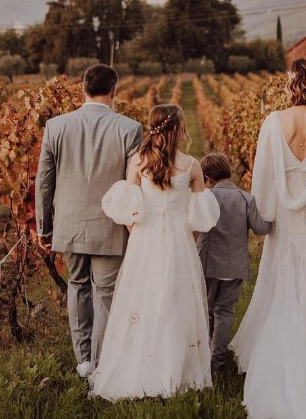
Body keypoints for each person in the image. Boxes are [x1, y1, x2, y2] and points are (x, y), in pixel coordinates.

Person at [229, 57, 306, 419]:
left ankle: (282, 355)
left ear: (291, 85)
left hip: (286, 218)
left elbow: (263, 178)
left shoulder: (273, 123)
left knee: (284, 285)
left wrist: (265, 217)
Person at [89, 104, 220, 400]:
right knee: (175, 299)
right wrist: (187, 236)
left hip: (144, 239)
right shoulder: (191, 166)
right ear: (179, 130)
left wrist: (140, 236)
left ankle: (142, 364)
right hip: (178, 241)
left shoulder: (138, 161)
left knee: (143, 297)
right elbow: (201, 218)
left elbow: (129, 211)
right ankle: (174, 367)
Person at [35, 64, 143, 379]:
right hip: (110, 226)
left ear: (83, 88)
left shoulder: (55, 126)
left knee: (78, 286)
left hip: (68, 224)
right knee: (106, 293)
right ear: (113, 91)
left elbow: (44, 181)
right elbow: (132, 185)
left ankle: (83, 360)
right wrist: (135, 226)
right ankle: (103, 362)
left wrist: (44, 227)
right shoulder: (129, 128)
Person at [197, 153, 271, 373]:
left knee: (207, 310)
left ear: (208, 178)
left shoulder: (207, 197)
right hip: (236, 265)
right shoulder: (246, 199)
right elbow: (262, 229)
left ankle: (205, 358)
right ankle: (217, 361)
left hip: (209, 264)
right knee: (225, 311)